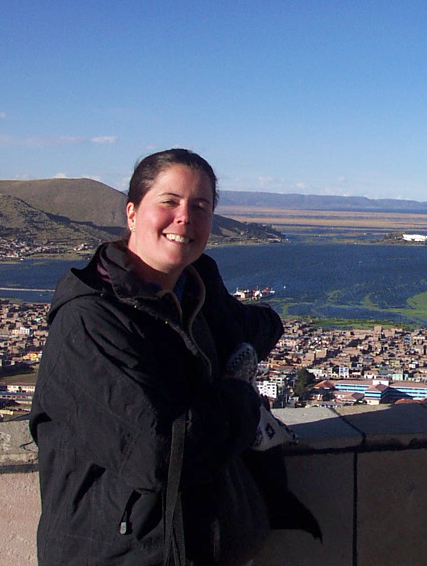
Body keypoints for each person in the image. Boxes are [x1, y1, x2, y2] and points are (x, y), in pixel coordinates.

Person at [30, 149, 286, 565]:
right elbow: (160, 453)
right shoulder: (90, 320)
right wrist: (239, 394)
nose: (184, 217)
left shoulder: (197, 290)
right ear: (131, 214)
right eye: (169, 202)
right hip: (123, 554)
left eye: (200, 207)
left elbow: (249, 327)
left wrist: (259, 334)